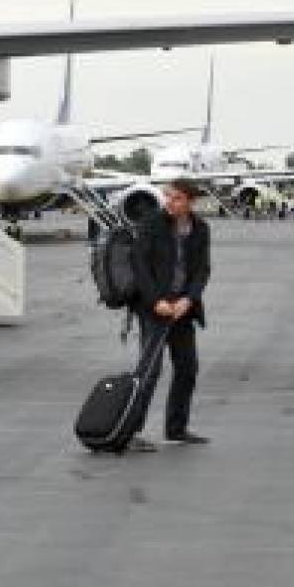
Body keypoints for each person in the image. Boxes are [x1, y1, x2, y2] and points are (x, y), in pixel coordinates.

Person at [129, 180, 212, 450]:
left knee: (188, 368)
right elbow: (140, 266)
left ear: (190, 202)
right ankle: (131, 431)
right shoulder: (151, 224)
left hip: (182, 310)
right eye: (169, 197)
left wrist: (189, 299)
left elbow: (202, 270)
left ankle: (176, 428)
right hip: (154, 308)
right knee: (149, 370)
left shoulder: (201, 229)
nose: (170, 203)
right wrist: (156, 301)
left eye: (177, 198)